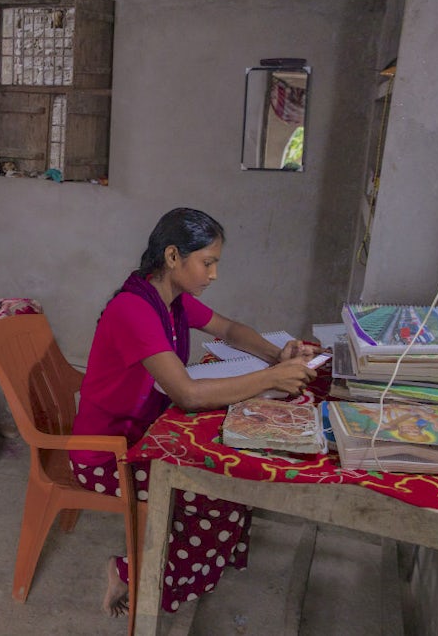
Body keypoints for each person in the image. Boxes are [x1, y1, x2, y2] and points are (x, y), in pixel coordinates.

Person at [69, 207, 317, 616]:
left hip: (144, 429)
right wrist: (272, 379)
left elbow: (231, 330)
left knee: (232, 472)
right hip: (106, 453)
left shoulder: (172, 302)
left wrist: (277, 356)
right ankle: (128, 574)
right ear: (172, 257)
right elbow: (186, 394)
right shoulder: (134, 309)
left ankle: (194, 567)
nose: (213, 274)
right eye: (208, 262)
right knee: (216, 492)